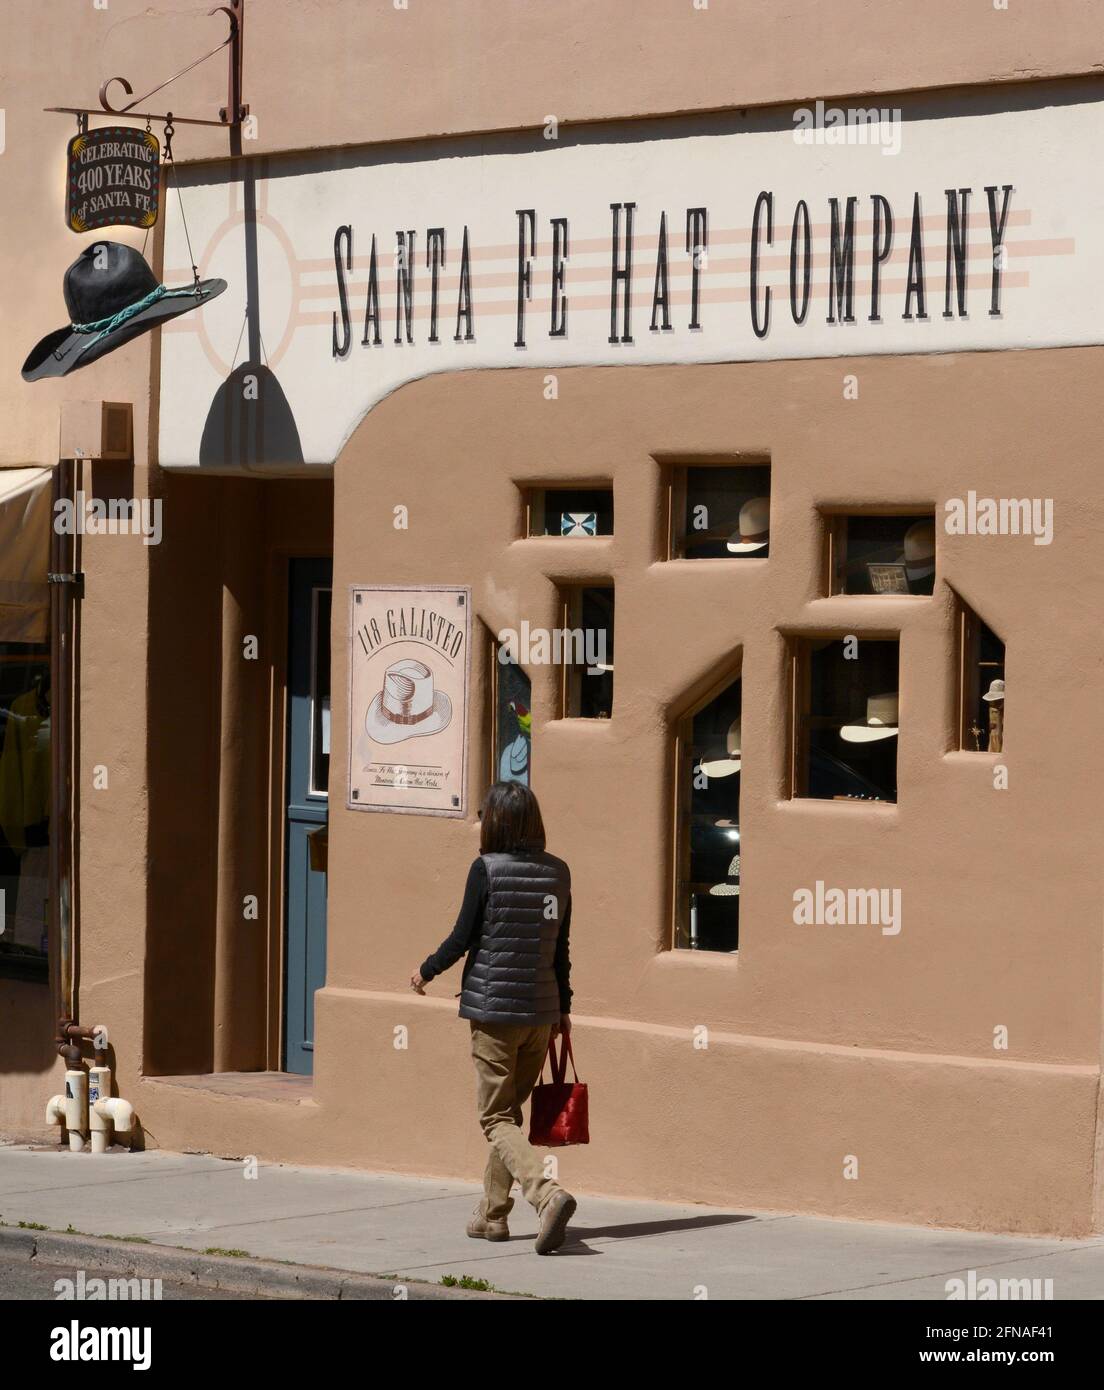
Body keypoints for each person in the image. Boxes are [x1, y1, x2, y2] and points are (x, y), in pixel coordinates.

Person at [411, 781, 577, 1254]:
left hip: (494, 1011)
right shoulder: (558, 873)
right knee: (510, 1117)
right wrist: (563, 1008)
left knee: (495, 1118)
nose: (481, 822)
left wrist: (425, 970)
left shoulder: (485, 870)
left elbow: (463, 936)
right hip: (540, 1013)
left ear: (498, 821)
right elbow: (559, 949)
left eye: (485, 814)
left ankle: (546, 1195)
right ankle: (491, 1216)